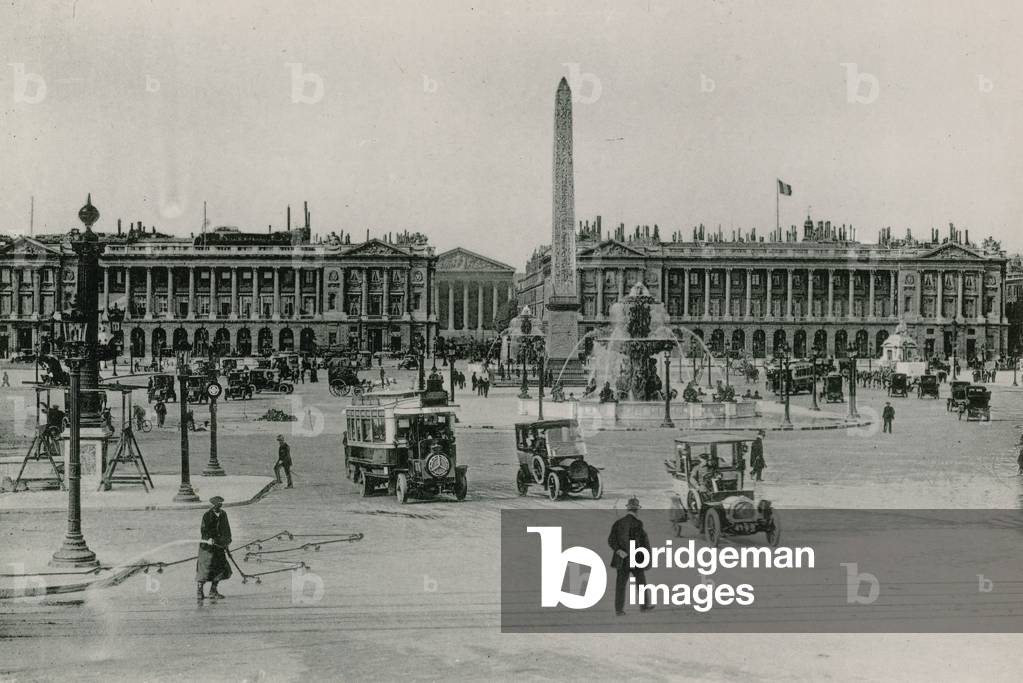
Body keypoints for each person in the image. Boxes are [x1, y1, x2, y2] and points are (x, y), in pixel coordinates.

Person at [607, 497, 653, 616]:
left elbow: (611, 540)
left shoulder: (618, 523)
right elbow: (641, 543)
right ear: (637, 510)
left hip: (622, 559)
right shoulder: (638, 523)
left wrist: (619, 551)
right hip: (635, 559)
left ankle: (619, 610)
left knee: (620, 585)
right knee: (641, 582)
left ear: (628, 509)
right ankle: (644, 606)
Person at [196, 495, 233, 602]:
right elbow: (204, 530)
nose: (219, 505)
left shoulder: (223, 514)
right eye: (217, 504)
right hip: (207, 548)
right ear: (213, 505)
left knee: (221, 568)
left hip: (219, 546)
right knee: (205, 570)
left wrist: (226, 542)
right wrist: (208, 538)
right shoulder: (207, 515)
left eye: (220, 504)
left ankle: (213, 591)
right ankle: (199, 592)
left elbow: (226, 529)